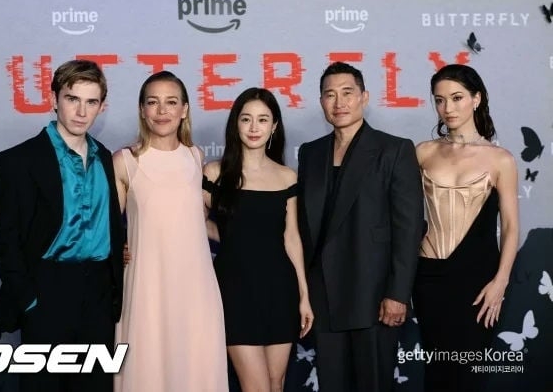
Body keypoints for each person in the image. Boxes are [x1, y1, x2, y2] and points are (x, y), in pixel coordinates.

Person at [0, 59, 125, 392]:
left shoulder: (106, 158)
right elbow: (7, 242)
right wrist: (30, 301)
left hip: (98, 295)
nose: (81, 111)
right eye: (72, 98)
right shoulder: (17, 161)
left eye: (91, 102)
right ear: (54, 99)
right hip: (46, 290)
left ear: (102, 107)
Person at [297, 61, 424, 392]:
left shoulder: (394, 149)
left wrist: (397, 294)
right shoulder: (311, 153)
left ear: (364, 97)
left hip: (373, 295)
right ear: (321, 101)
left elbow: (409, 228)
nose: (339, 102)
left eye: (347, 93)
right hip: (323, 296)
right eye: (330, 95)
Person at [113, 70, 228, 392]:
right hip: (147, 283)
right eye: (153, 102)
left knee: (195, 366)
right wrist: (117, 246)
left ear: (184, 109)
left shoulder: (195, 157)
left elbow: (196, 220)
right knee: (147, 364)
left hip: (195, 285)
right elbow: (107, 224)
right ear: (142, 110)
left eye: (171, 102)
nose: (162, 111)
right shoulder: (125, 161)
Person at [413, 64, 519, 392]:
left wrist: (500, 282)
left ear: (476, 99)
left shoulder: (500, 159)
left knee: (468, 374)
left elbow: (511, 226)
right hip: (428, 276)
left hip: (477, 279)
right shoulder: (423, 151)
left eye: (457, 98)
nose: (448, 108)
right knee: (436, 372)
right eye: (440, 100)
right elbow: (400, 213)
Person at [203, 87, 314, 392]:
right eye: (246, 119)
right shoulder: (215, 173)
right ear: (235, 124)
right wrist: (231, 235)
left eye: (263, 120)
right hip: (234, 289)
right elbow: (194, 225)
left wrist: (304, 295)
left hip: (280, 289)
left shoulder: (287, 176)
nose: (254, 128)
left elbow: (291, 237)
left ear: (274, 126)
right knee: (256, 387)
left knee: (276, 384)